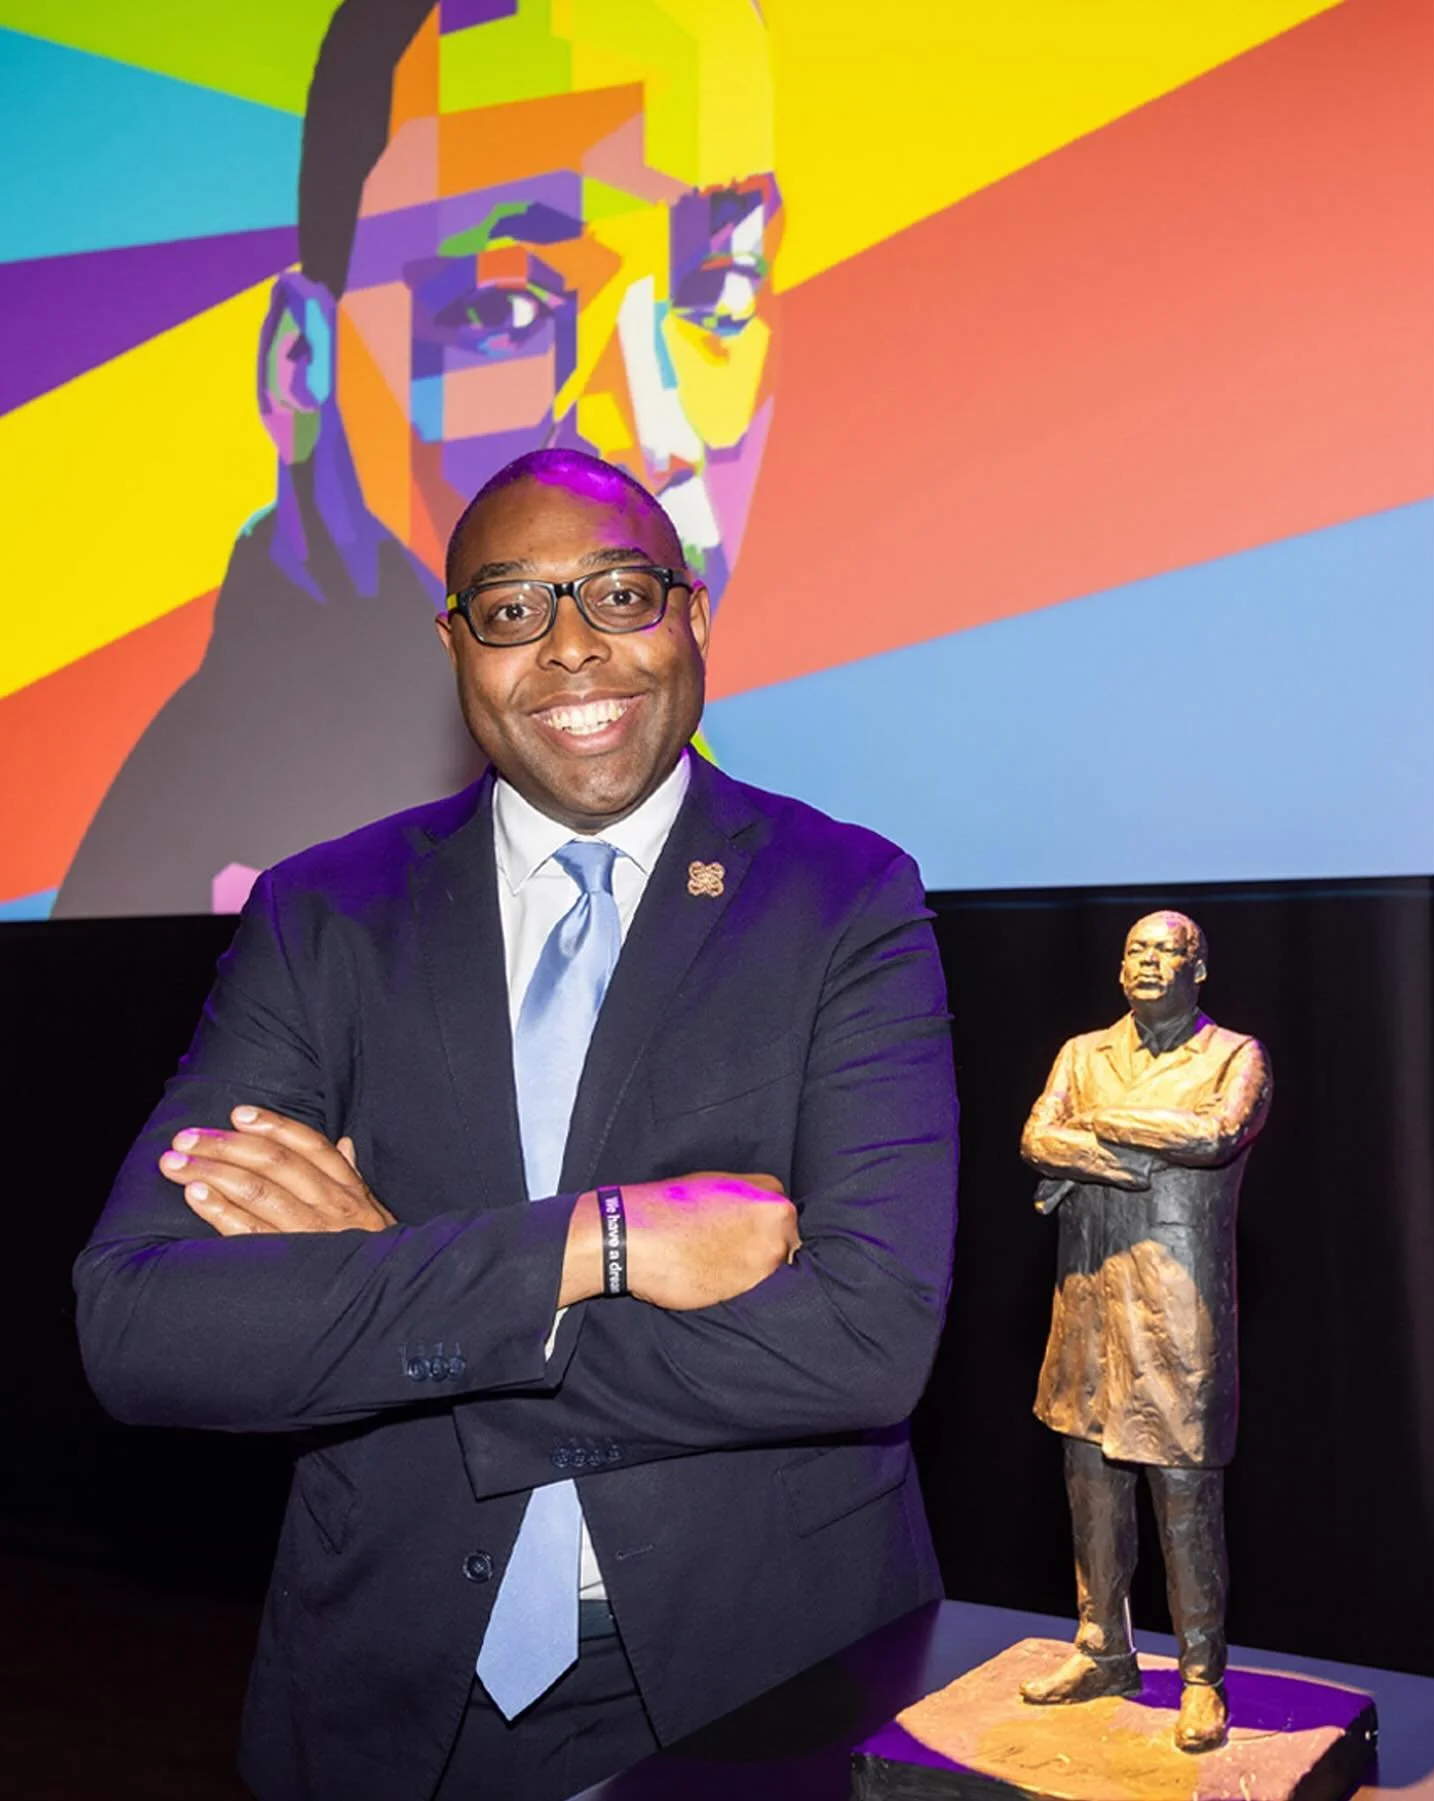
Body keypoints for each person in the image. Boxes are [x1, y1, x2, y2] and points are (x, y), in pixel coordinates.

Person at [74, 449, 959, 1801]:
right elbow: (141, 1326)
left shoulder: (844, 899)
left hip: (762, 1679)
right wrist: (594, 1242)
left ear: (693, 615)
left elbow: (862, 1348)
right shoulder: (325, 917)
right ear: (455, 648)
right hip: (389, 1690)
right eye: (510, 609)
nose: (570, 646)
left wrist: (390, 1273)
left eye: (619, 594)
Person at [55, 0, 779, 918]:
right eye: (504, 309)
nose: (655, 430)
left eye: (720, 290)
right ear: (300, 363)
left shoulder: (821, 886)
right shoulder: (264, 908)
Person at [1018, 911, 1271, 1753]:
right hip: (1088, 1297)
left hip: (1176, 1306)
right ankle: (1103, 1648)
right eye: (1136, 949)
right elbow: (1035, 1137)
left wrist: (1099, 1127)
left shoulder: (1234, 1056)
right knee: (1089, 1480)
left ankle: (1200, 1675)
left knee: (1183, 1490)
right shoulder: (1081, 1052)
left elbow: (1214, 1133)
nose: (1148, 962)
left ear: (1200, 968)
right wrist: (1120, 1157)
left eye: (1166, 950)